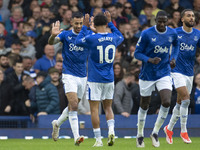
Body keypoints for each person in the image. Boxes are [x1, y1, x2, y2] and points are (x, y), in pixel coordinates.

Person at [75, 12, 124, 147]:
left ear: (94, 25)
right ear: (106, 24)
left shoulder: (91, 38)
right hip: (109, 78)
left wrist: (85, 26)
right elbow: (121, 36)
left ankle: (98, 140)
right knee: (108, 107)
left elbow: (78, 41)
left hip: (94, 79)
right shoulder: (113, 37)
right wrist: (111, 24)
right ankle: (111, 131)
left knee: (95, 109)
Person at [134, 11, 179, 148]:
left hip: (164, 72)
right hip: (147, 74)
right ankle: (140, 134)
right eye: (159, 21)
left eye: (164, 21)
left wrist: (173, 58)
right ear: (155, 20)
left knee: (166, 102)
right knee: (144, 105)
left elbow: (176, 46)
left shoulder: (172, 33)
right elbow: (137, 53)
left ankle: (155, 132)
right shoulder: (147, 33)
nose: (161, 24)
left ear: (167, 21)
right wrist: (149, 60)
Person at [48, 12, 91, 146]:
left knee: (73, 106)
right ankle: (77, 137)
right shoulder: (66, 34)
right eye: (76, 23)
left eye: (80, 23)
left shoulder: (87, 35)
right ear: (71, 22)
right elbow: (51, 42)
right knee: (74, 105)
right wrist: (53, 35)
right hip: (69, 74)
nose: (78, 26)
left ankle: (57, 123)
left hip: (83, 76)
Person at [163, 9, 200, 144]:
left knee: (180, 103)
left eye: (193, 16)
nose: (191, 18)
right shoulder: (174, 33)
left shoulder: (197, 34)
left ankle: (169, 128)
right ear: (182, 19)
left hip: (189, 72)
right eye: (188, 16)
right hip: (176, 71)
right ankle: (184, 131)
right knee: (186, 98)